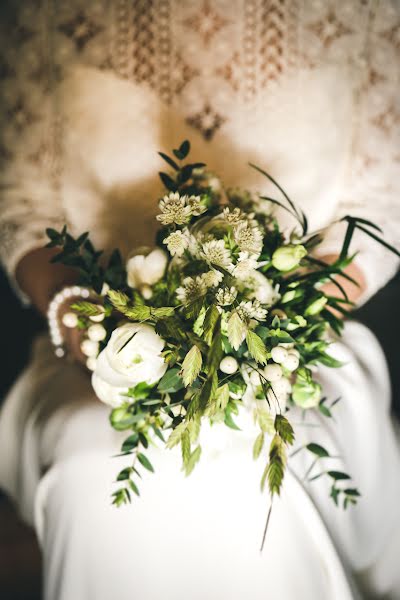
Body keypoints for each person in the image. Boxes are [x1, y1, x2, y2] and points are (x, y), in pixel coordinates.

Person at [0, 1, 400, 599]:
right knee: (96, 455)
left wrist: (281, 314)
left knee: (257, 451)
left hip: (302, 343)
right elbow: (25, 211)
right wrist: (83, 320)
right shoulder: (44, 12)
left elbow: (382, 206)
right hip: (97, 348)